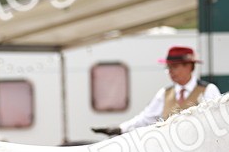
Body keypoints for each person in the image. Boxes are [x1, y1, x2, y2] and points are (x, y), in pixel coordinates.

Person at [91, 45, 220, 136]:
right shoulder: (164, 93)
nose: (170, 71)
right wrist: (120, 128)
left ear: (189, 66)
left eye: (174, 67)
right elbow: (146, 118)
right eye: (168, 67)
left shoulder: (208, 90)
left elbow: (217, 122)